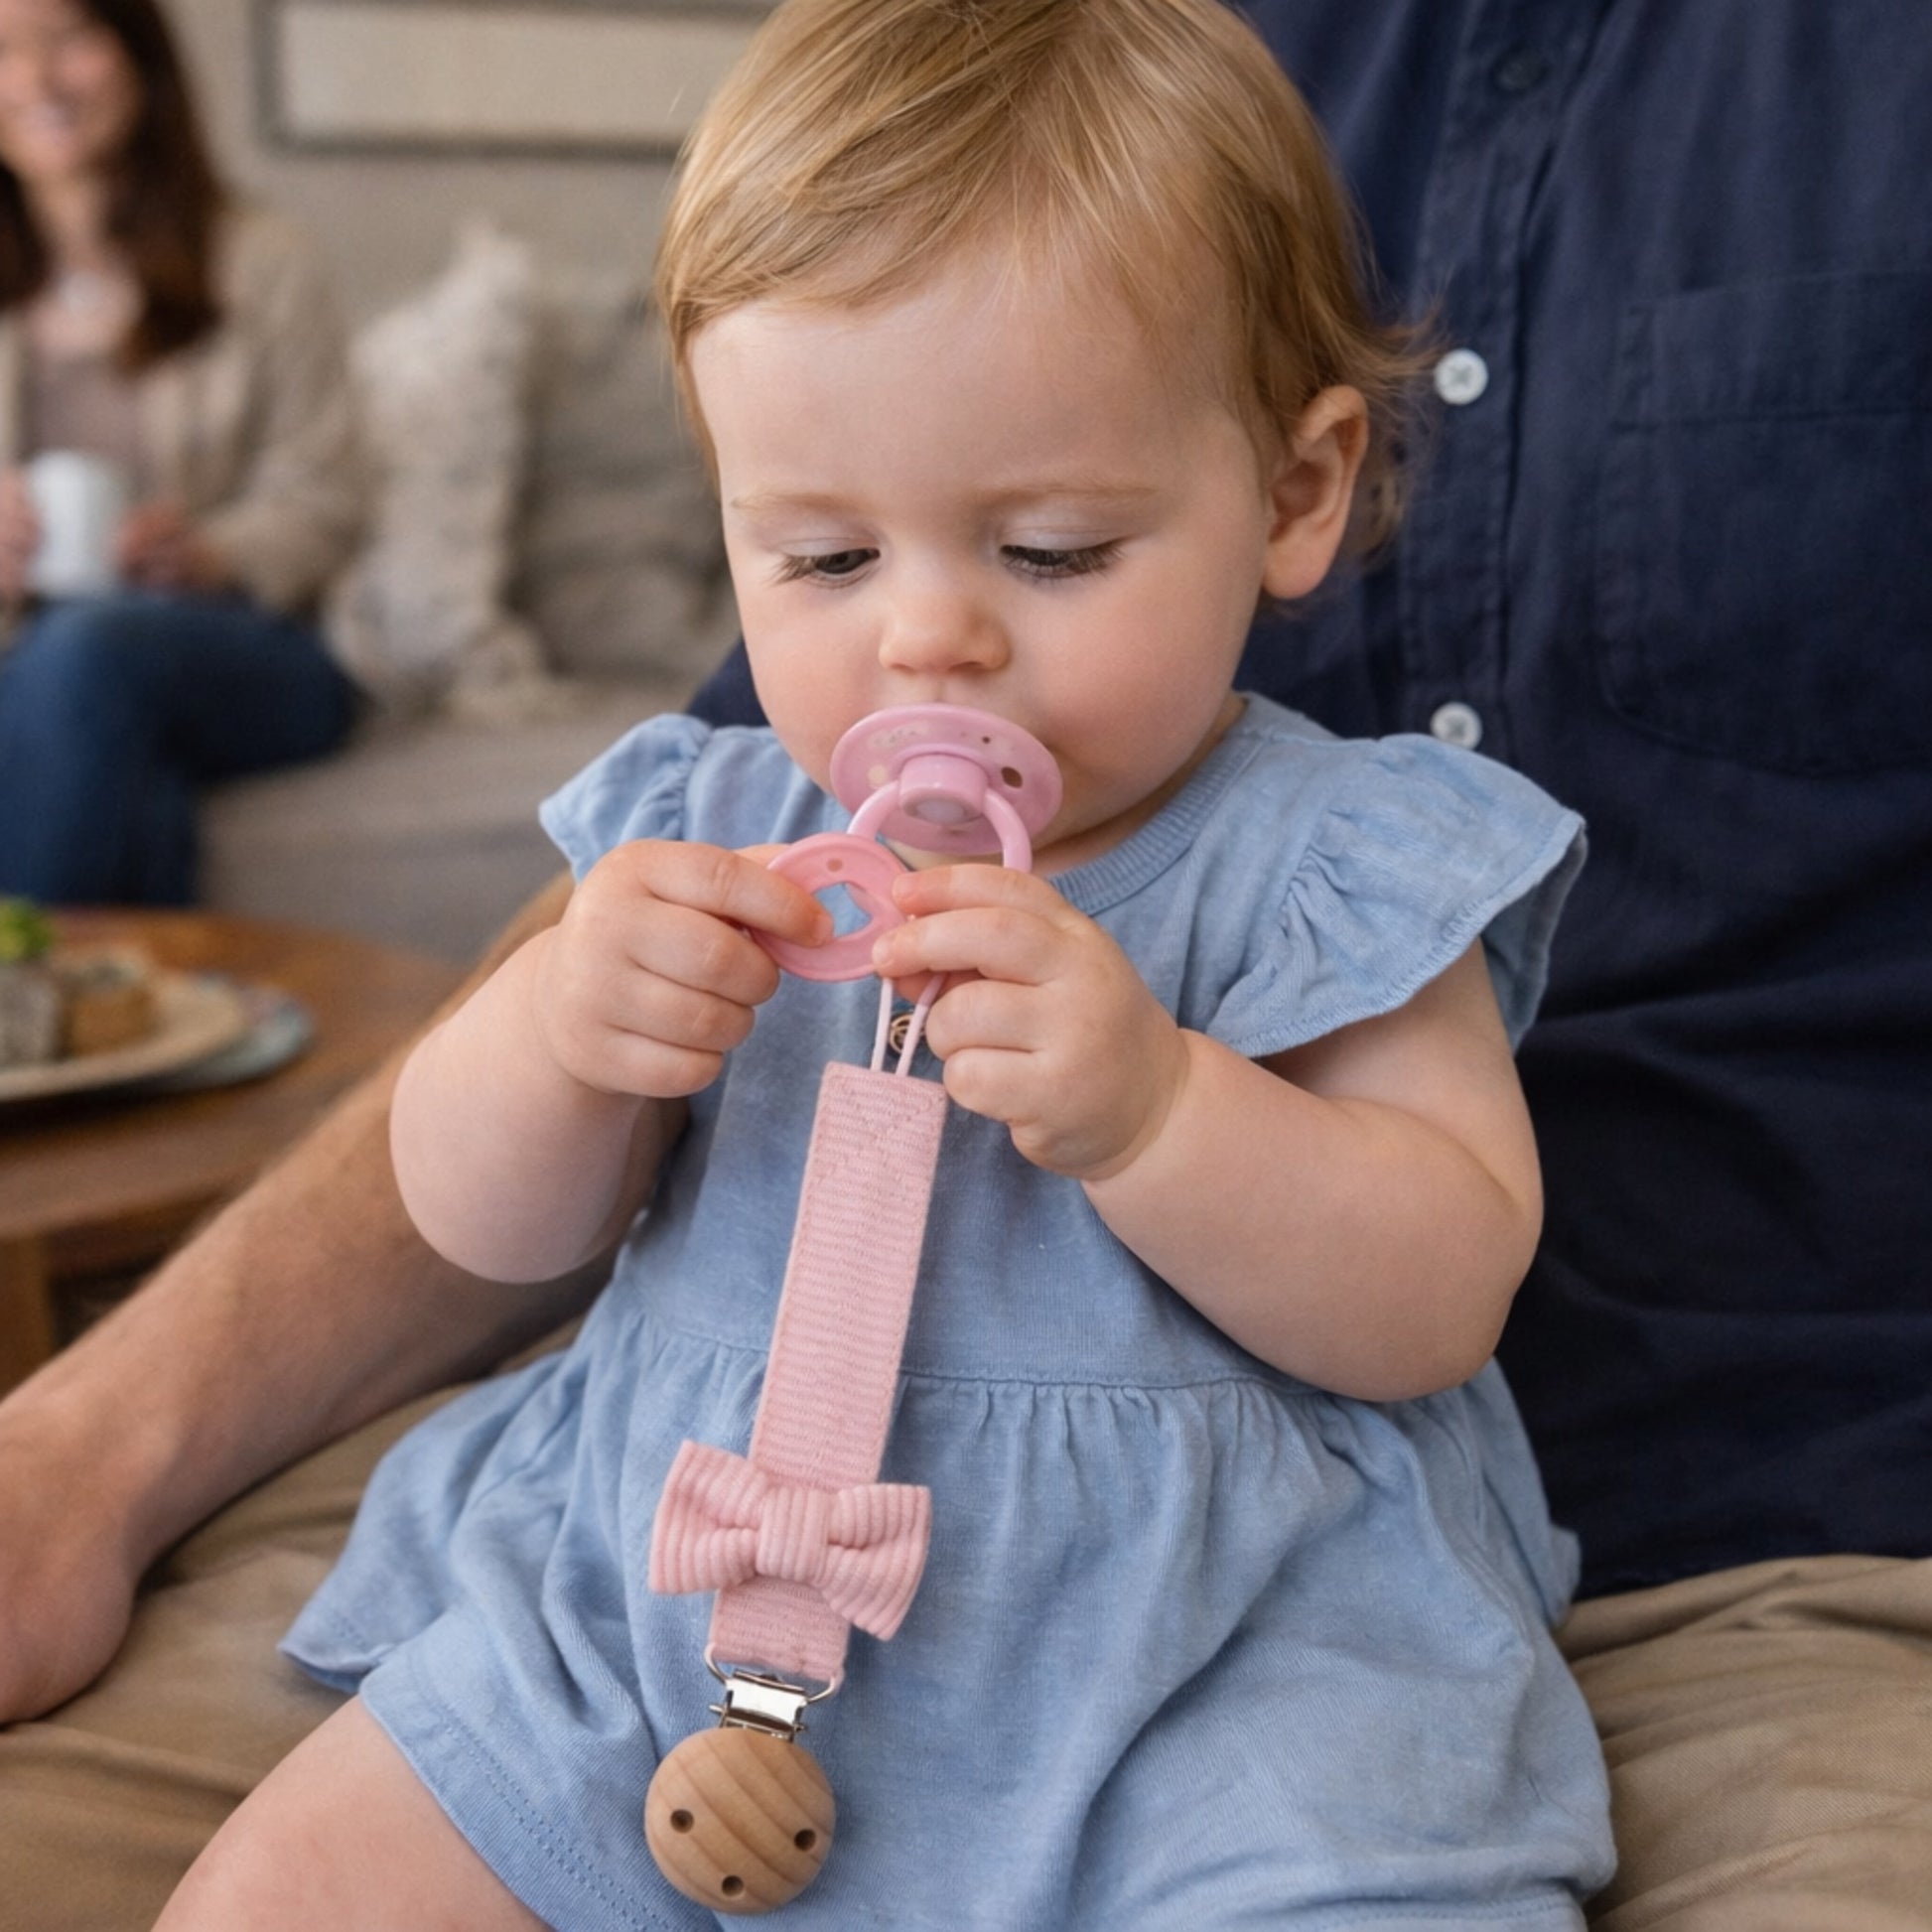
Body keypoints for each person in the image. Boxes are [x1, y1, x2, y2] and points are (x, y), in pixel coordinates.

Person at [4, 0, 1928, 1926]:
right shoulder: (717, 817)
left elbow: (1433, 1284)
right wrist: (556, 1041)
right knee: (275, 1893)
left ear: (1292, 491)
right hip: (643, 1621)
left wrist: (1161, 1108)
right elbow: (494, 1221)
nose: (931, 643)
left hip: (1215, 1678)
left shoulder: (1334, 857)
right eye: (822, 560)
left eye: (1055, 549)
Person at [0, 0, 363, 906]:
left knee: (86, 652)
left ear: (136, 55)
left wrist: (211, 553)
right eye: (1, 51)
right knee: (125, 771)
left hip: (242, 653)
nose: (35, 82)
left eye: (66, 42)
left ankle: (22, 1009)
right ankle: (144, 1026)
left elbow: (325, 498)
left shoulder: (262, 261)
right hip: (36, 665)